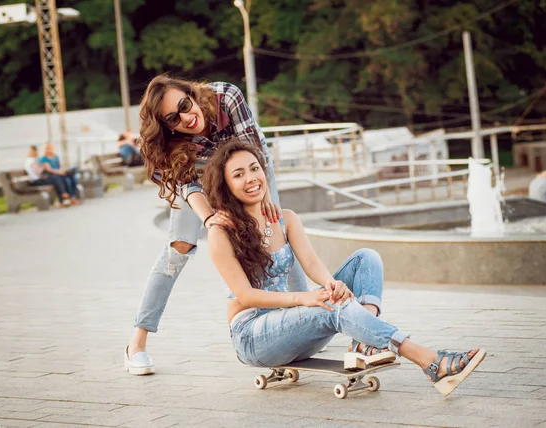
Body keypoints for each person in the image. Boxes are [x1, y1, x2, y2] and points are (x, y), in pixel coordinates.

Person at [202, 140, 486, 397]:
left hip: (293, 325)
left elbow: (311, 263)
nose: (251, 178)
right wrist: (305, 298)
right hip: (254, 337)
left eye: (254, 169)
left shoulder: (284, 219)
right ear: (226, 185)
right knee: (332, 307)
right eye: (238, 174)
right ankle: (430, 361)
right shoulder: (221, 232)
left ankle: (363, 344)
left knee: (366, 258)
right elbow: (246, 295)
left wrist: (330, 284)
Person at [124, 75, 310, 375]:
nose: (187, 117)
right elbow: (186, 186)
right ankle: (137, 344)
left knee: (274, 225)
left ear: (191, 93)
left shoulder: (227, 97)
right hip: (201, 175)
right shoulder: (169, 142)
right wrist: (210, 219)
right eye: (174, 118)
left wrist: (254, 209)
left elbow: (252, 157)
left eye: (185, 105)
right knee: (178, 248)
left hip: (248, 161)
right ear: (167, 126)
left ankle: (302, 317)